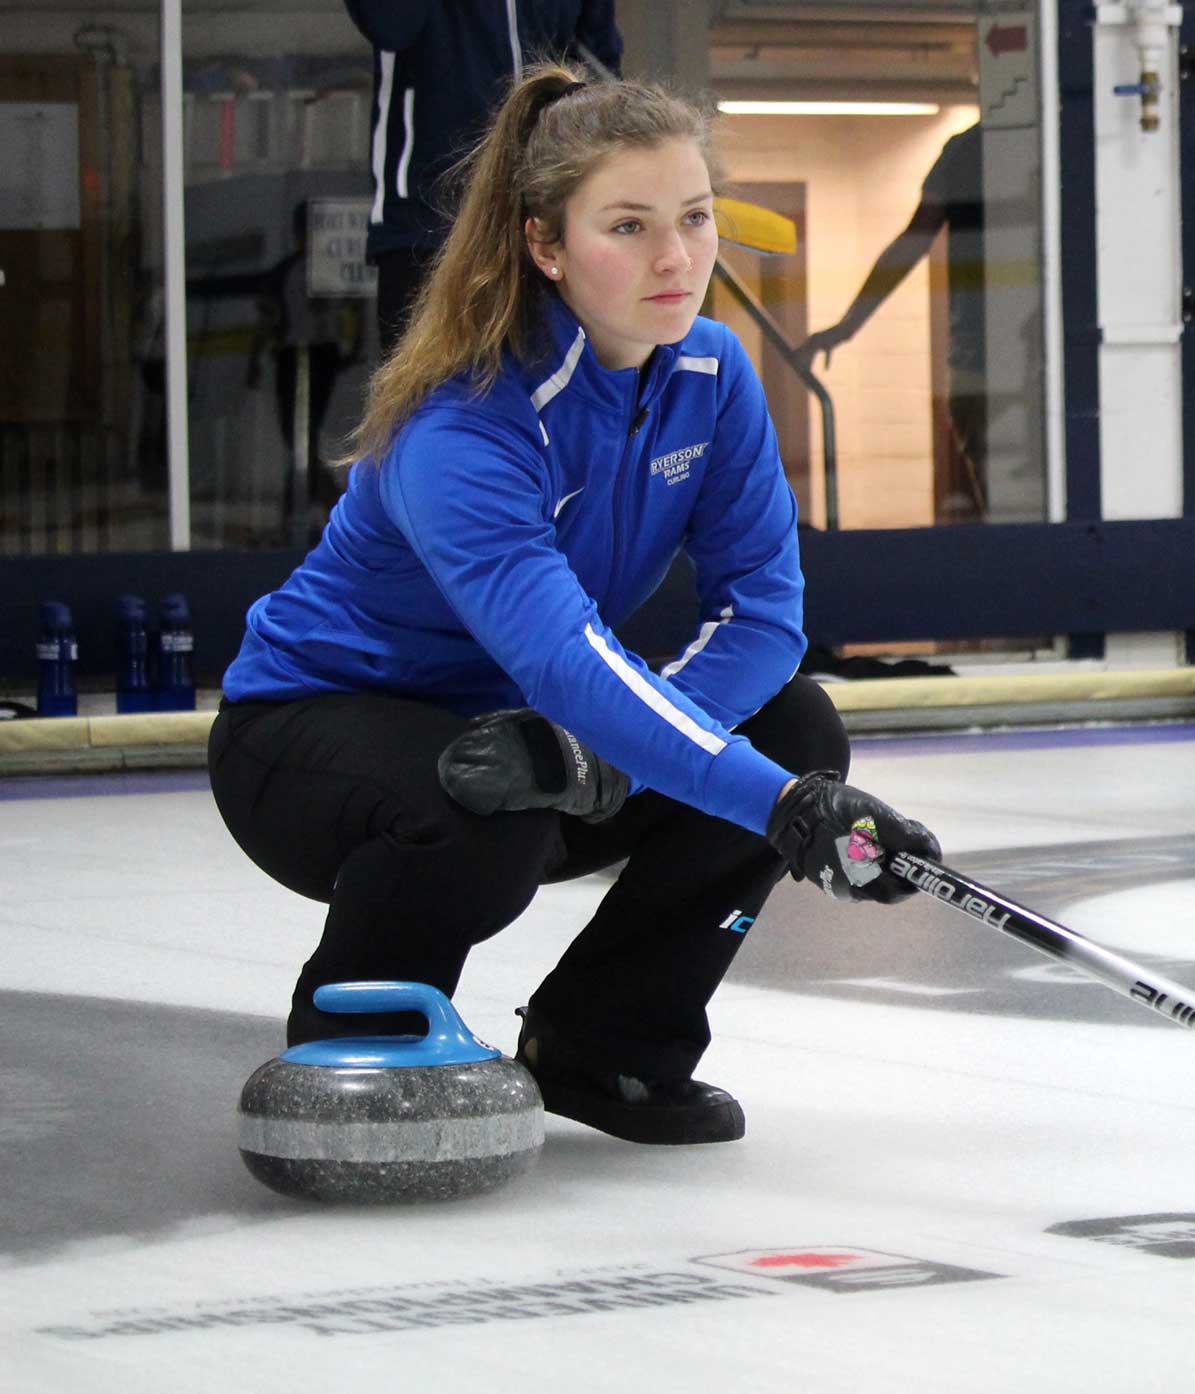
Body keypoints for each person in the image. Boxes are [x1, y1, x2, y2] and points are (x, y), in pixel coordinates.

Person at [210, 66, 942, 1147]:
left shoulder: (712, 374)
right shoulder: (465, 418)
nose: (675, 258)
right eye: (629, 226)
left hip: (523, 729)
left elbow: (763, 620)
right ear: (547, 246)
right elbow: (563, 660)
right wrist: (778, 806)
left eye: (694, 218)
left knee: (793, 725)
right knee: (486, 802)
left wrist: (619, 759)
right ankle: (356, 1050)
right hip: (310, 735)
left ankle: (605, 1047)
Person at [343, 0, 623, 347]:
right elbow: (390, 24)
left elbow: (597, 69)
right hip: (427, 220)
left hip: (542, 215)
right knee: (429, 373)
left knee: (550, 371)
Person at [794, 124, 988, 522]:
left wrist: (847, 326)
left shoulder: (970, 148)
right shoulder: (968, 150)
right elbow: (913, 242)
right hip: (984, 357)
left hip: (994, 359)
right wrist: (847, 326)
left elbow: (913, 241)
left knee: (1006, 503)